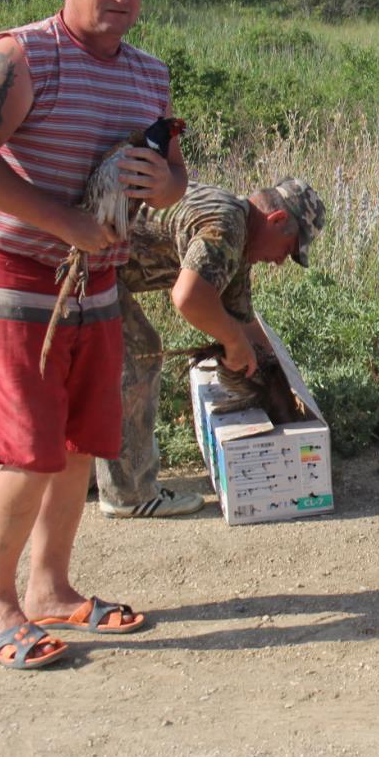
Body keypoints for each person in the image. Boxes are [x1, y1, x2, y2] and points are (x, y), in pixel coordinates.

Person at [0, 0, 186, 669]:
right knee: (30, 451)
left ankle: (49, 587)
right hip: (13, 275)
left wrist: (164, 184)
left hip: (95, 281)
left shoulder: (149, 74)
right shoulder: (21, 56)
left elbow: (174, 176)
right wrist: (67, 222)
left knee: (79, 444)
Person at [94, 177, 326, 518]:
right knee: (139, 353)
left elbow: (243, 322)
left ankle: (91, 469)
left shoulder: (240, 235)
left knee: (109, 359)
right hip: (86, 257)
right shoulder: (227, 224)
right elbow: (189, 298)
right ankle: (129, 493)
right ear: (277, 220)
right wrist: (232, 342)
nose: (280, 261)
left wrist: (285, 389)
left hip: (96, 260)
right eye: (289, 249)